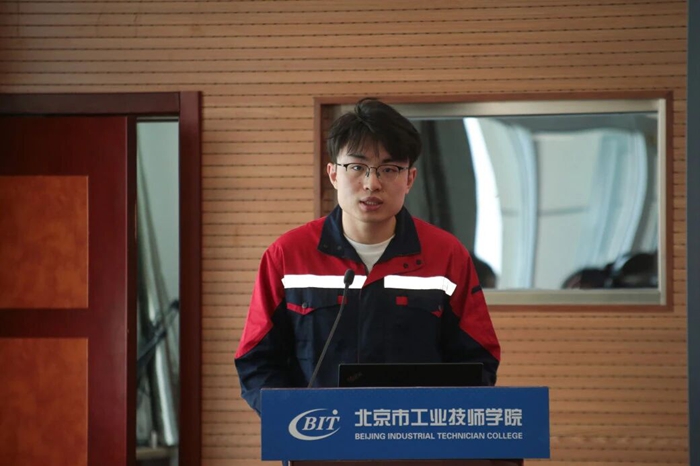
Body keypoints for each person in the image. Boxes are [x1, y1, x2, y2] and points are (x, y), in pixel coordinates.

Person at [234, 98, 501, 415]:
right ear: (333, 174)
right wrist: (295, 421)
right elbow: (257, 361)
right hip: (318, 436)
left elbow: (477, 361)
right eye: (357, 167)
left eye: (389, 169)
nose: (371, 184)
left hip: (415, 437)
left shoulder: (446, 256)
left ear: (410, 179)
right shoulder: (288, 256)